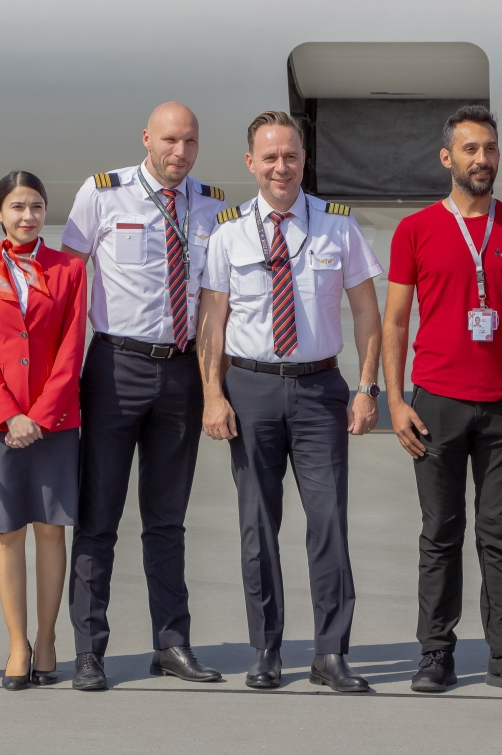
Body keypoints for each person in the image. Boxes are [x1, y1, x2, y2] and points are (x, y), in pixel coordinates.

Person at [198, 111, 383, 693]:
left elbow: (366, 311)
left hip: (319, 391)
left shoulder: (337, 227)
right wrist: (212, 395)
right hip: (250, 388)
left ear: (304, 160)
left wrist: (366, 387)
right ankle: (266, 649)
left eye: (291, 156)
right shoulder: (228, 232)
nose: (281, 167)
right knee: (258, 525)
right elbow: (212, 319)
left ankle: (330, 653)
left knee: (328, 523)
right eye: (270, 157)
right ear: (250, 163)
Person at [382, 104, 502, 696]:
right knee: (440, 533)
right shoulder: (416, 230)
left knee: (501, 536)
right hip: (435, 405)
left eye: (491, 149)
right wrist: (396, 402)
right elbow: (395, 322)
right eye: (471, 149)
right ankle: (435, 652)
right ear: (446, 157)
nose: (483, 159)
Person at [59, 102, 227, 691]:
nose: (180, 152)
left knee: (167, 520)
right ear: (147, 139)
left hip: (181, 373)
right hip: (115, 368)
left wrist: (213, 386)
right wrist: (60, 374)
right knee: (98, 518)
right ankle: (89, 651)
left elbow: (216, 302)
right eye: (170, 140)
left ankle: (172, 644)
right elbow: (69, 285)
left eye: (190, 141)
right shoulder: (104, 193)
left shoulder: (211, 205)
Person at [0, 171, 87, 691]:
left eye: (36, 206)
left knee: (51, 529)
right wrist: (9, 414)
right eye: (17, 206)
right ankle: (18, 644)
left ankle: (48, 637)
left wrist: (38, 415)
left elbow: (71, 348)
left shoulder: (69, 269)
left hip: (53, 423)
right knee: (8, 532)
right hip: (0, 425)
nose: (27, 216)